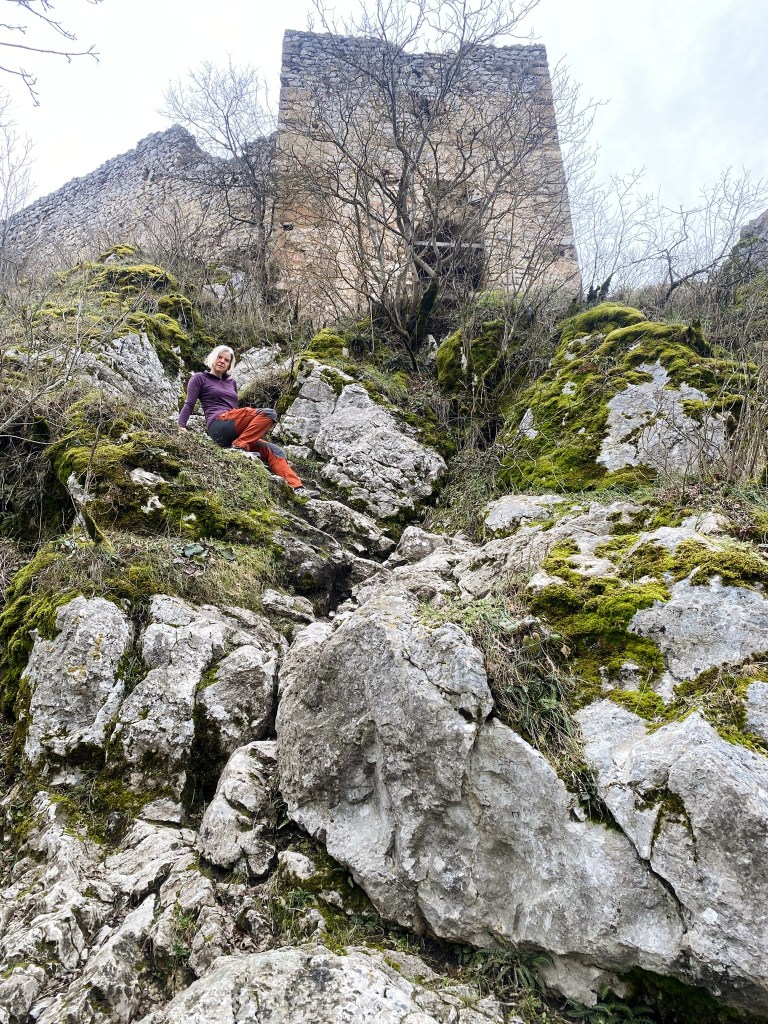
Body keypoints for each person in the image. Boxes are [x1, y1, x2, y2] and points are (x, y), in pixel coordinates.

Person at [177, 345, 319, 498]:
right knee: (268, 413)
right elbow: (189, 403)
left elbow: (234, 409)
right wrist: (181, 425)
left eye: (226, 360)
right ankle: (239, 446)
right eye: (220, 357)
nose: (222, 362)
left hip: (234, 426)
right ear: (213, 357)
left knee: (274, 450)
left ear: (229, 365)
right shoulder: (199, 378)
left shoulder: (232, 383)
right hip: (218, 424)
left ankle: (297, 489)